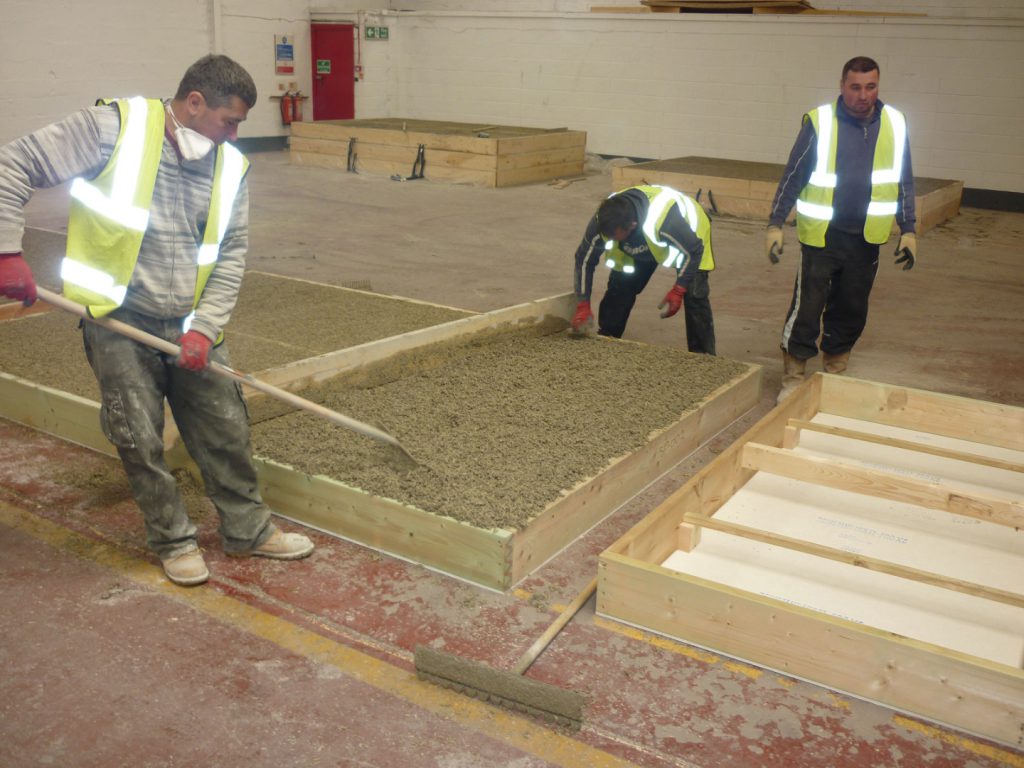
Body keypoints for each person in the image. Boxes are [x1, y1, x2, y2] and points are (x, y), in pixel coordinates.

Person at [0, 54, 314, 586]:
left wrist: (204, 327)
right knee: (139, 437)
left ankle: (249, 531)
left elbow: (231, 251)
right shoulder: (112, 129)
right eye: (228, 121)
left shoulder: (228, 165)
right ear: (194, 103)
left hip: (190, 324)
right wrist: (7, 249)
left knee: (225, 428)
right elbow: (12, 164)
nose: (234, 136)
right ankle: (174, 540)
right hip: (117, 320)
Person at [767, 55, 917, 403]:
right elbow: (793, 175)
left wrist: (908, 228)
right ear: (842, 86)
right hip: (823, 236)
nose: (863, 95)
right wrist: (776, 223)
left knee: (851, 307)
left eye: (870, 86)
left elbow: (903, 179)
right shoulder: (820, 122)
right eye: (855, 87)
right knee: (807, 307)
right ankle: (793, 376)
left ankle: (835, 370)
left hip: (867, 238)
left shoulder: (894, 123)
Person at [571, 185, 716, 354]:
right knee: (621, 283)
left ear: (632, 225)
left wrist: (679, 289)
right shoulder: (603, 222)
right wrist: (583, 304)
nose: (609, 240)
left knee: (695, 294)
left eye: (614, 237)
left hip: (690, 238)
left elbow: (694, 250)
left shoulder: (665, 220)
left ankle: (703, 357)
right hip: (644, 243)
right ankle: (608, 335)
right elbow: (583, 260)